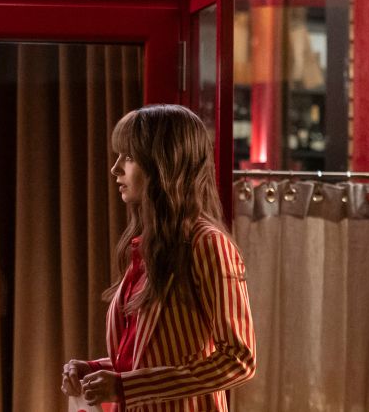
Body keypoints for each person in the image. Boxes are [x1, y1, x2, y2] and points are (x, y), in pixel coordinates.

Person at [61, 104, 255, 411]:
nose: (115, 168)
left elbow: (239, 359)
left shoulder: (208, 243)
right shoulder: (148, 246)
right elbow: (151, 356)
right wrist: (94, 370)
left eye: (129, 156)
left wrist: (127, 386)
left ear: (163, 163)